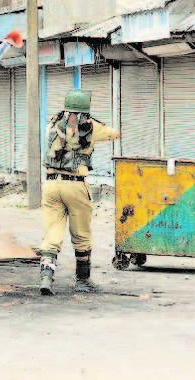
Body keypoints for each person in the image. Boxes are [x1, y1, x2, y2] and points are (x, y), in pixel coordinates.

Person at [39, 90, 120, 296]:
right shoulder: (91, 127)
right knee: (81, 233)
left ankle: (46, 278)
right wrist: (94, 122)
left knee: (52, 234)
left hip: (50, 184)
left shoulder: (52, 124)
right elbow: (115, 133)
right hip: (75, 185)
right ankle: (82, 281)